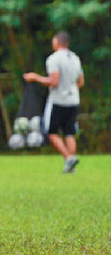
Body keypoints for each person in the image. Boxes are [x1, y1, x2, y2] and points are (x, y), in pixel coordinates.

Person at [24, 31, 85, 173]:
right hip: (74, 99)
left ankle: (69, 158)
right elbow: (81, 82)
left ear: (57, 42)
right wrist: (70, 89)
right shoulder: (75, 58)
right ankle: (71, 165)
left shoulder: (54, 59)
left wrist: (35, 77)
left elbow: (54, 81)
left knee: (51, 132)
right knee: (69, 132)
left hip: (58, 100)